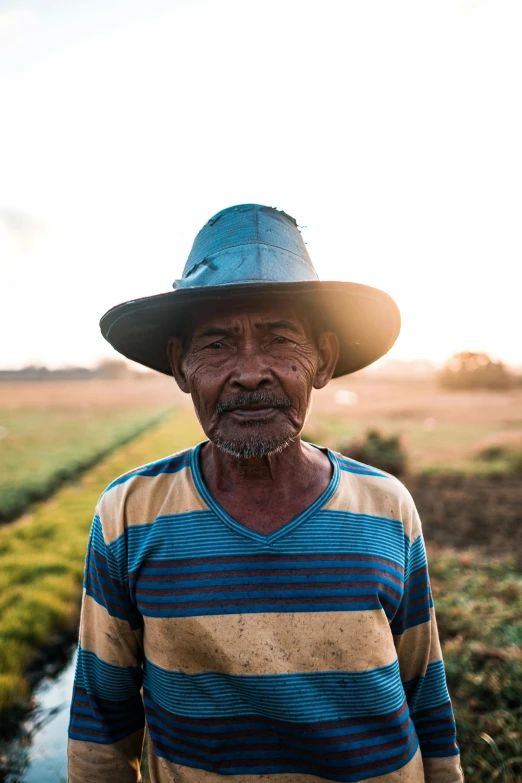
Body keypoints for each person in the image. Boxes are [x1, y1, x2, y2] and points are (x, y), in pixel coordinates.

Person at [68, 204, 464, 782]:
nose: (250, 372)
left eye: (279, 340)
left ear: (323, 360)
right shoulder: (130, 514)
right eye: (219, 345)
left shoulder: (386, 506)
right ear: (181, 367)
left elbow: (424, 690)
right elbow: (104, 721)